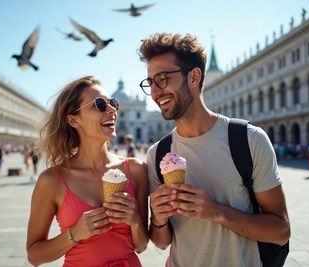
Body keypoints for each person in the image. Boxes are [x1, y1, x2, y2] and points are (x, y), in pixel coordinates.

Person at [137, 33, 290, 266]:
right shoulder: (157, 154)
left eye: (162, 79)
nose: (155, 92)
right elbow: (160, 242)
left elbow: (280, 231)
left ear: (194, 77)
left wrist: (218, 212)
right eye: (150, 83)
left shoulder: (249, 140)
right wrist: (157, 218)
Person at [26, 75, 149, 267]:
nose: (112, 110)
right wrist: (74, 234)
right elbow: (34, 255)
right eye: (99, 104)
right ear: (74, 120)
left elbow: (141, 246)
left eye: (113, 103)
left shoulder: (136, 170)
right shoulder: (52, 180)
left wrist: (135, 221)